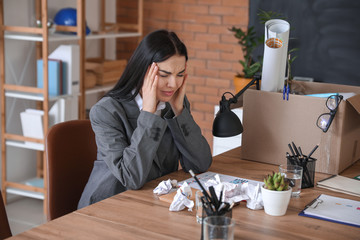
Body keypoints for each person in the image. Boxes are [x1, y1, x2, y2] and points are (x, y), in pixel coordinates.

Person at [78, 29, 212, 208]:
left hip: (151, 203)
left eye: (180, 74)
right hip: (108, 207)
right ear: (143, 71)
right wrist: (149, 113)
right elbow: (131, 178)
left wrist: (180, 112)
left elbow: (200, 165)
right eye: (164, 75)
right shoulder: (106, 112)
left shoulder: (174, 102)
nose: (173, 84)